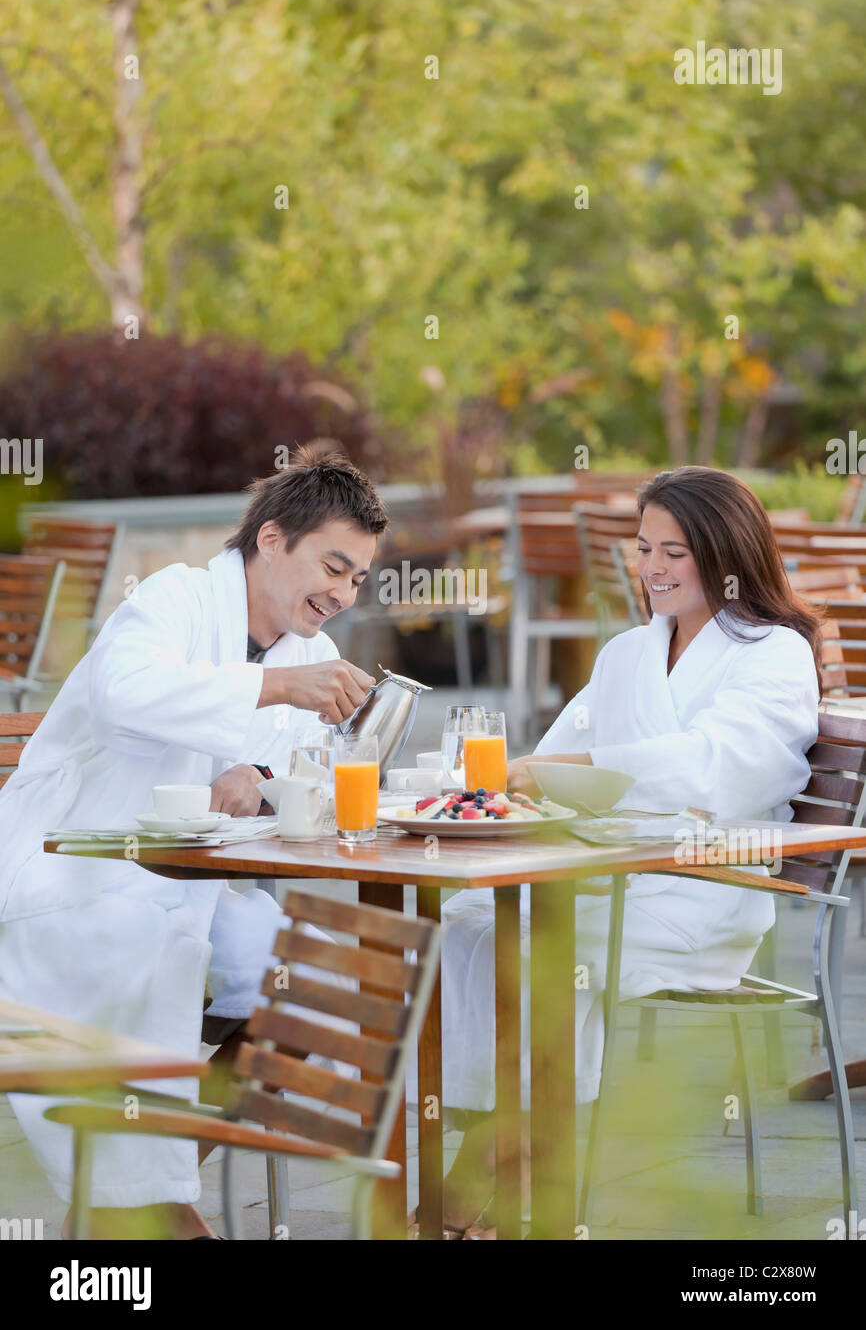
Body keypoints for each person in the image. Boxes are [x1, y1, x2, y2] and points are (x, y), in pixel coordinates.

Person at [0, 447, 388, 1238]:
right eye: (334, 568)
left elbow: (289, 764)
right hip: (72, 872)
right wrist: (276, 691)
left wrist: (257, 767)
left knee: (311, 983)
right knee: (143, 956)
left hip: (197, 885)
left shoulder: (309, 651)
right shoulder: (173, 598)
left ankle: (142, 1196)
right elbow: (124, 693)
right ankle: (155, 1211)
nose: (343, 595)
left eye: (358, 580)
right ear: (273, 539)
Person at [435, 466, 822, 1238]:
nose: (652, 569)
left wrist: (570, 773)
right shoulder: (625, 655)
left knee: (534, 939)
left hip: (702, 891)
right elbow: (545, 764)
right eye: (644, 548)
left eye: (674, 553)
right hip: (608, 877)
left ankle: (481, 1187)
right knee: (466, 918)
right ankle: (494, 1144)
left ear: (726, 554)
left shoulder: (773, 654)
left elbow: (721, 767)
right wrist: (480, 788)